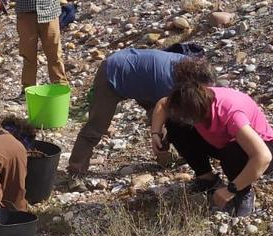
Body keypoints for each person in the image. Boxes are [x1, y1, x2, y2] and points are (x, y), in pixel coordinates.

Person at [150, 60, 273, 217]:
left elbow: (263, 156)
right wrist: (155, 133)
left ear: (203, 111)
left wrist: (231, 189)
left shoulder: (231, 114)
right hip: (222, 141)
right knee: (175, 123)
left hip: (262, 149)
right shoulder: (190, 96)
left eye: (193, 119)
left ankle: (243, 192)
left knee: (232, 152)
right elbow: (163, 105)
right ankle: (207, 179)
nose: (191, 122)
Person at [67, 47, 190, 175]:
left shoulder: (190, 67)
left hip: (141, 75)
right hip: (112, 73)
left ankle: (168, 159)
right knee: (96, 127)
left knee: (165, 120)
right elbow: (168, 113)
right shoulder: (169, 84)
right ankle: (76, 171)